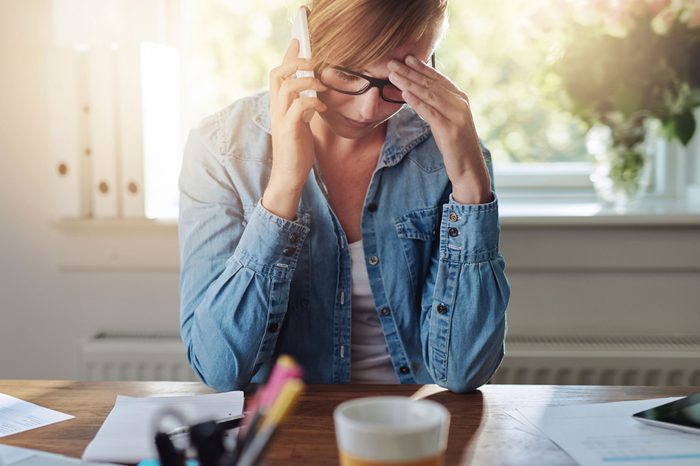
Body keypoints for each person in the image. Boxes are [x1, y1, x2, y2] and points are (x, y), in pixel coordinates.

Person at [178, 0, 510, 393]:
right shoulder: (221, 149)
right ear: (303, 44)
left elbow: (464, 372)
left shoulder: (445, 153)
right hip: (285, 431)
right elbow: (218, 368)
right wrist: (284, 186)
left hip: (412, 425)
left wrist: (471, 185)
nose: (368, 108)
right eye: (349, 74)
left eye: (396, 83)